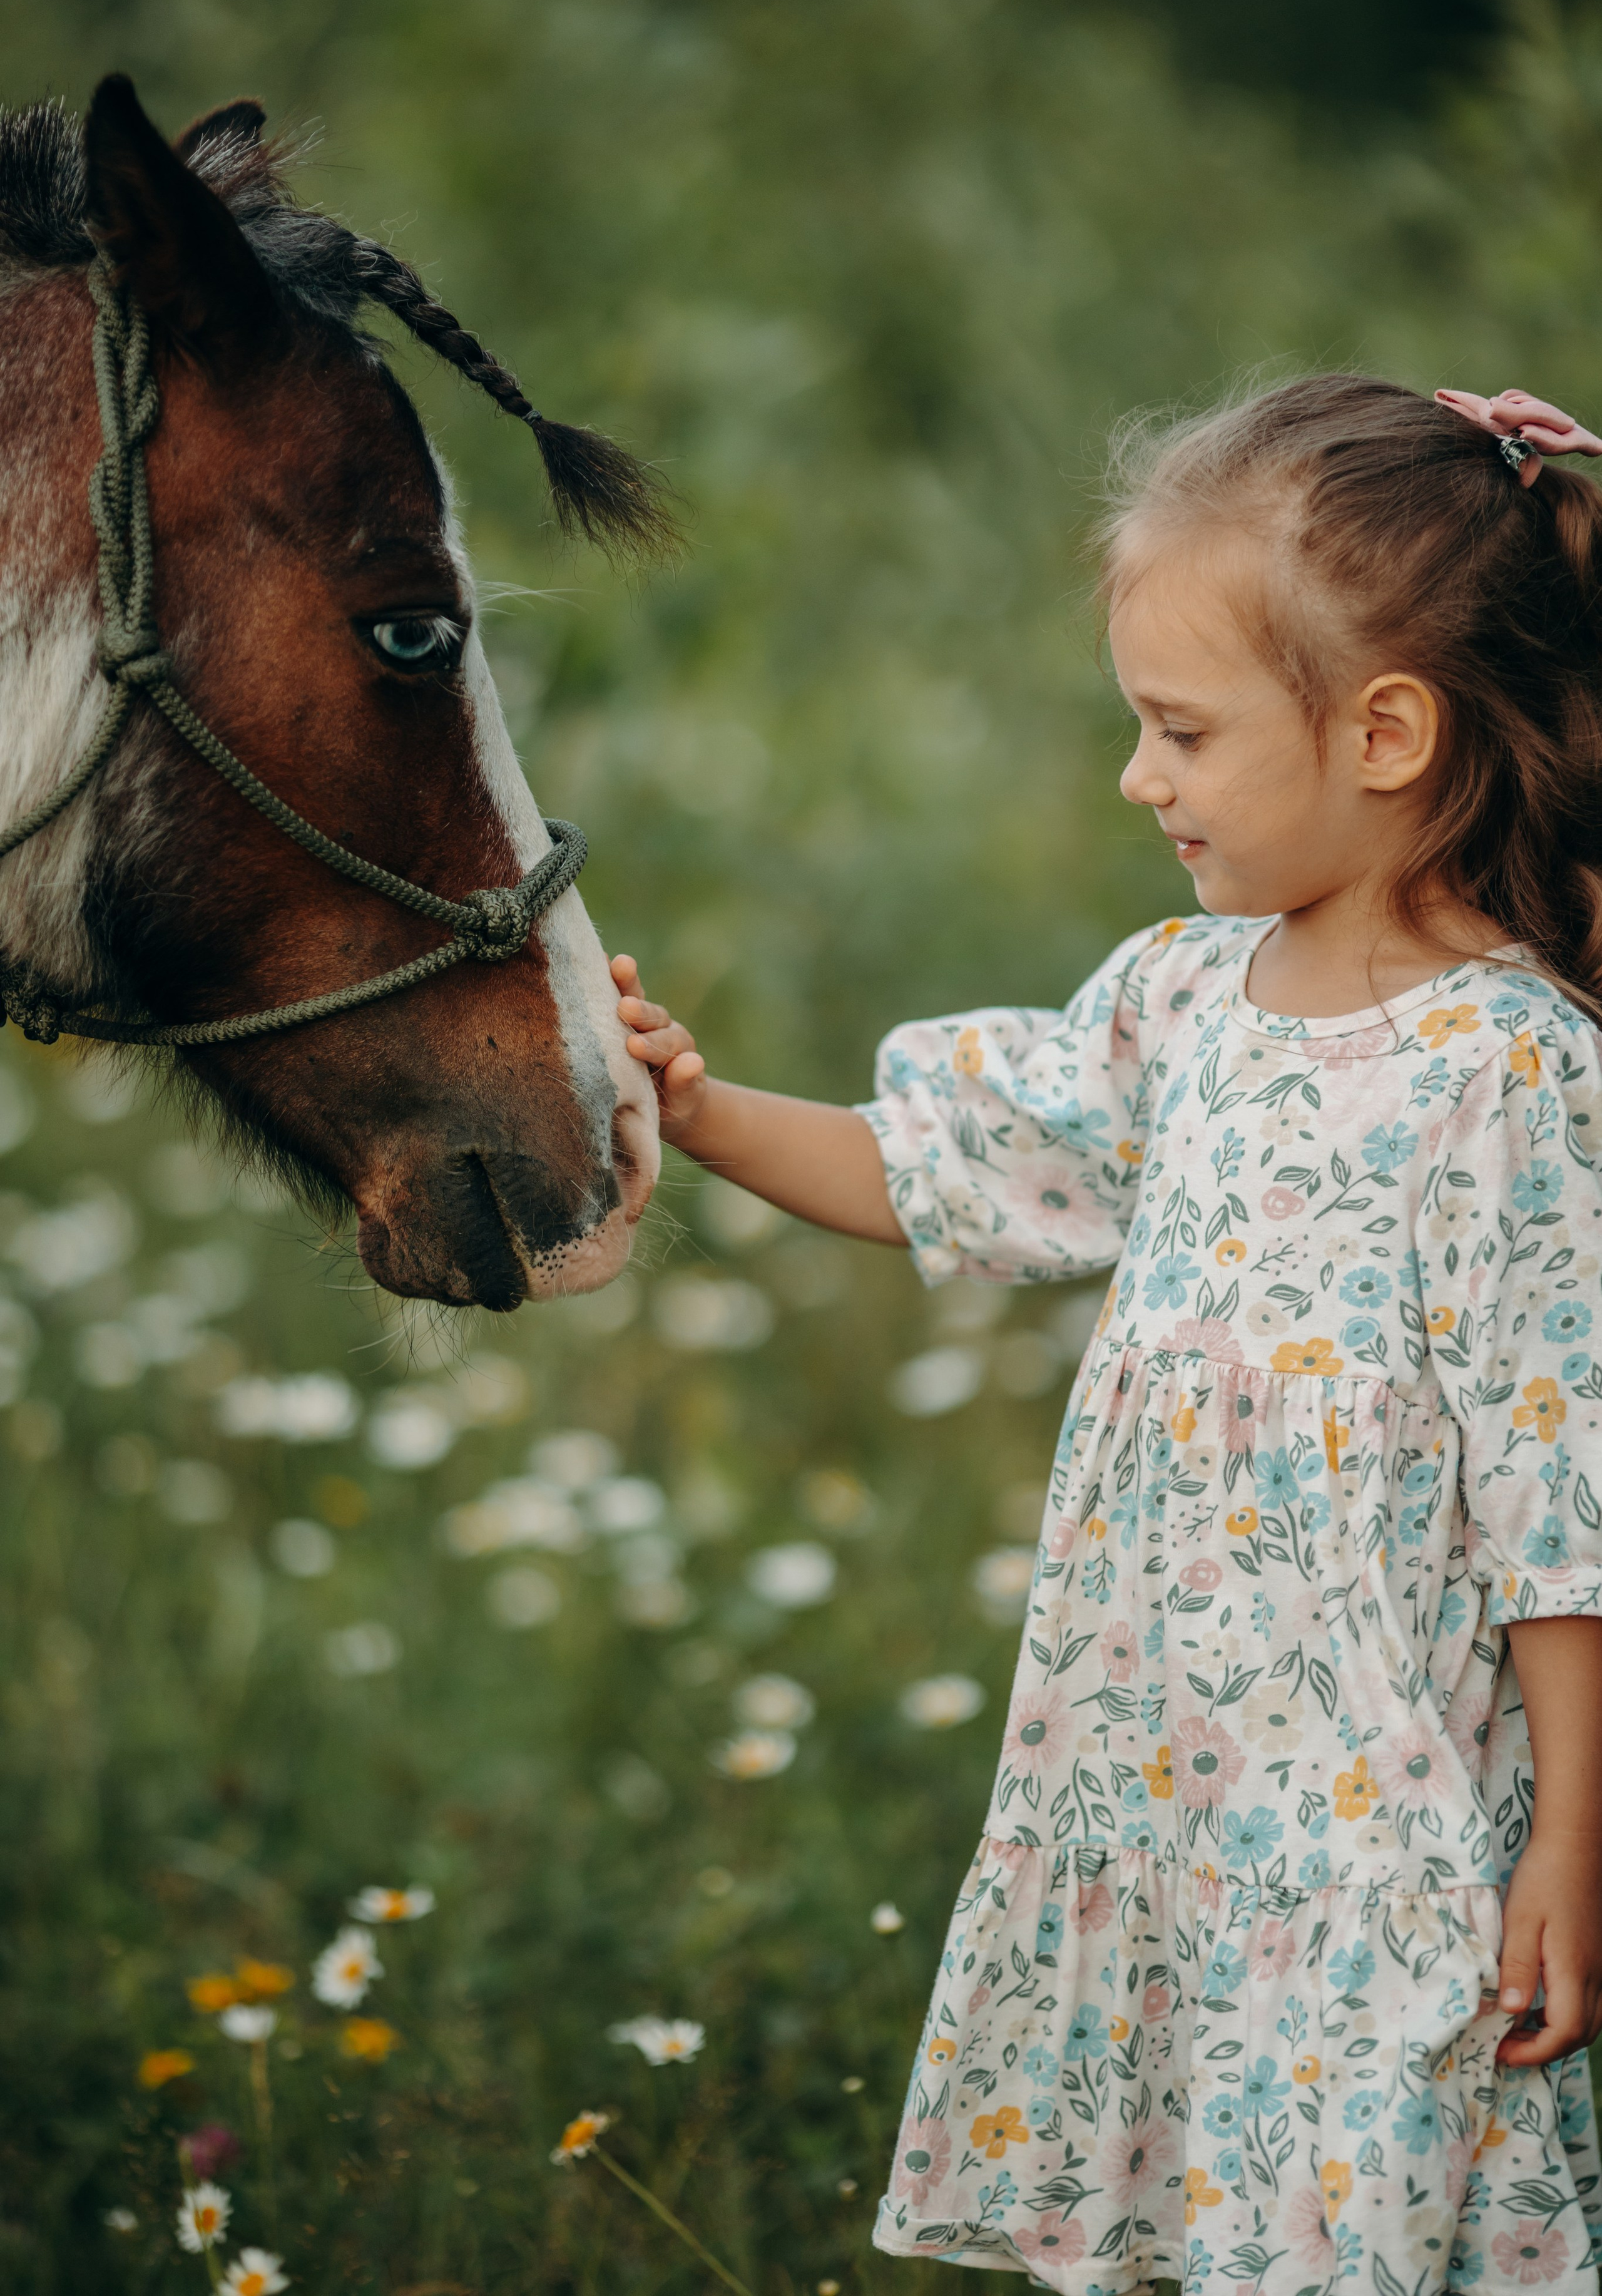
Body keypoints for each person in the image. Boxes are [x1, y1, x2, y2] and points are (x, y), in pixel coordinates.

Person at [613, 374, 1602, 2295]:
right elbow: (946, 1166)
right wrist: (706, 1111)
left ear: (1386, 732)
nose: (1140, 780)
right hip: (1159, 1784)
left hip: (1372, 1816)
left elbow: (1561, 1487)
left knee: (1362, 2212)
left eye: (1181, 734)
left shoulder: (1513, 1075)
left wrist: (1573, 1834)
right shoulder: (1185, 1000)